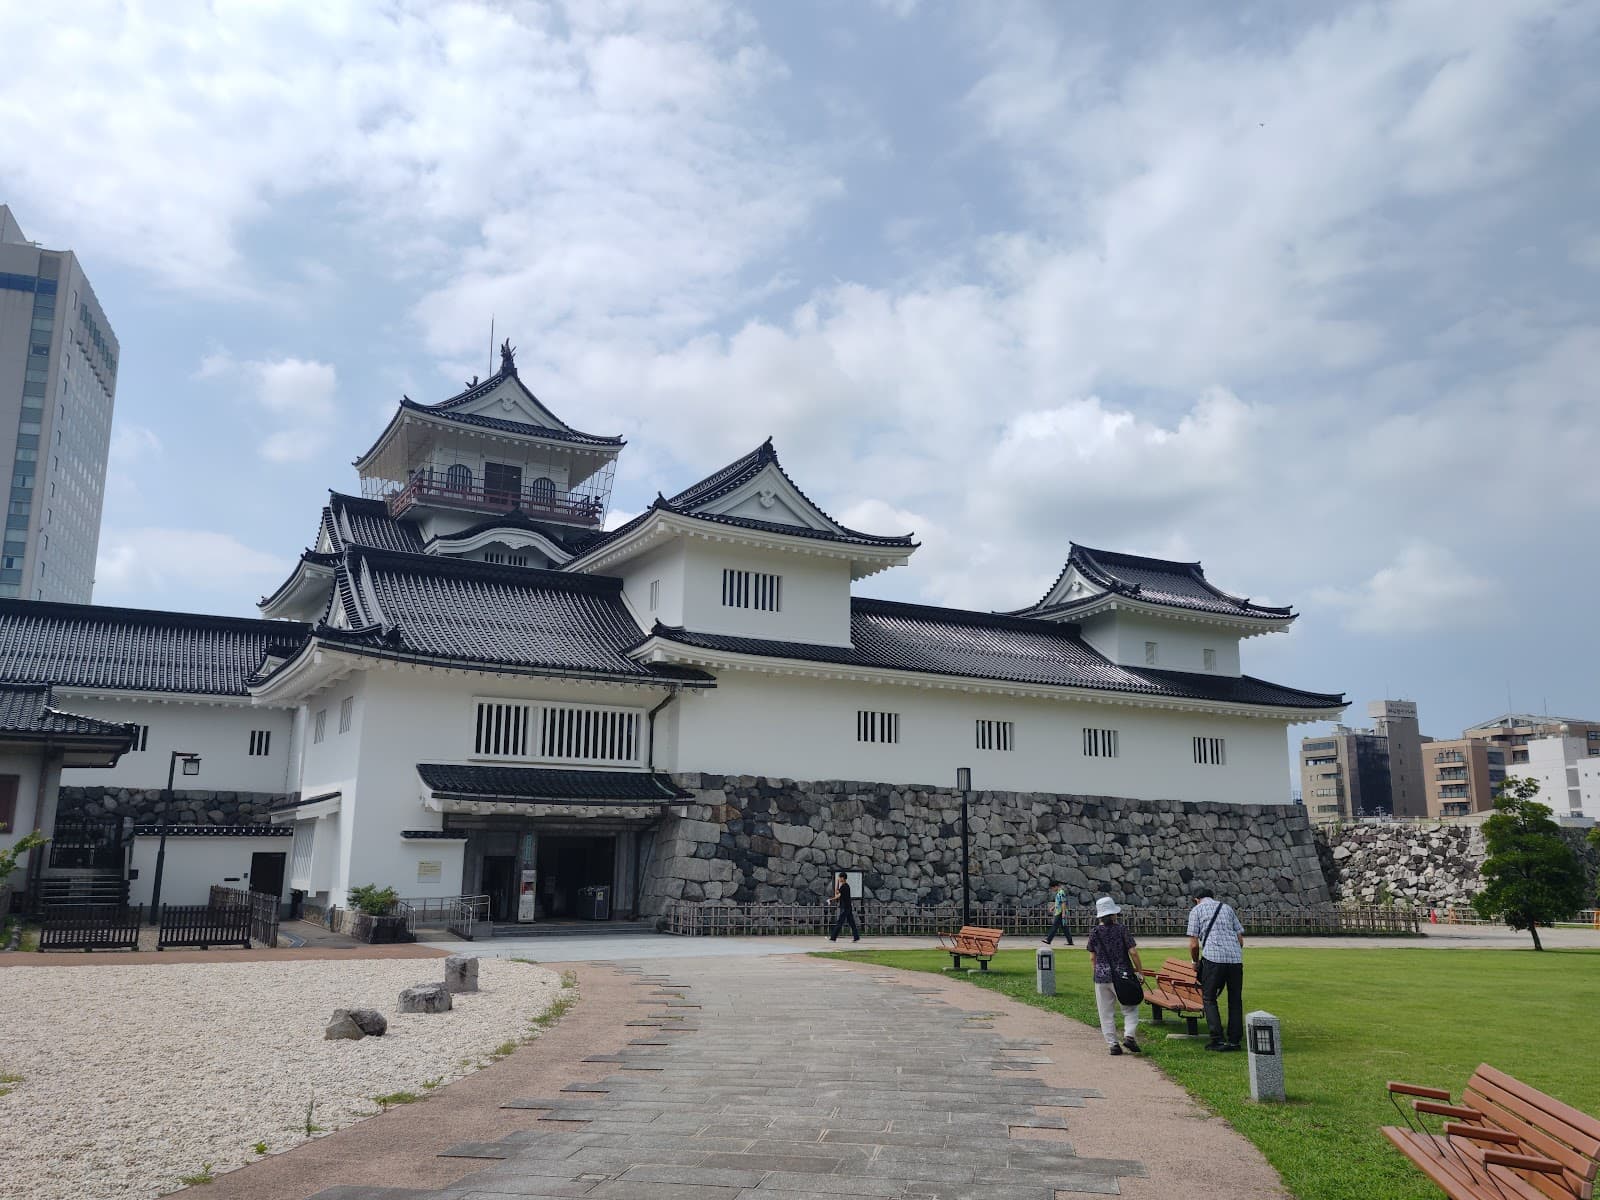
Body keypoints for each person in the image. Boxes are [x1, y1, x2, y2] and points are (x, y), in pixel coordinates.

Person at [1187, 885, 1245, 1051]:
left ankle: (1217, 1039)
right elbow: (1240, 940)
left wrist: (1195, 962)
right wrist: (1232, 954)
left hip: (1213, 959)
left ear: (1196, 900)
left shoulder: (1196, 911)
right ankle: (1234, 1040)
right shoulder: (1226, 908)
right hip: (1235, 960)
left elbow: (1193, 944)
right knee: (1235, 1000)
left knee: (1209, 998)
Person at [1086, 896, 1142, 1055]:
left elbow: (1092, 956)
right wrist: (1139, 971)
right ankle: (1129, 1036)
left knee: (1105, 1012)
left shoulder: (1095, 932)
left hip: (1101, 976)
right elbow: (1133, 952)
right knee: (1130, 1008)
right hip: (1122, 974)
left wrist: (1096, 972)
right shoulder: (1121, 929)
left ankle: (1113, 1044)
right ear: (1113, 914)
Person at [827, 870, 860, 942]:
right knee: (851, 922)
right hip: (848, 907)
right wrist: (831, 899)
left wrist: (837, 883)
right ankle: (856, 937)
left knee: (839, 922)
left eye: (840, 877)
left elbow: (837, 892)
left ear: (843, 878)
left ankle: (833, 938)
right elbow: (838, 896)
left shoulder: (844, 886)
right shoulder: (846, 886)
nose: (839, 878)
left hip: (845, 907)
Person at [1042, 881, 1074, 946]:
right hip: (1058, 911)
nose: (1052, 890)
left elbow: (1063, 903)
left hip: (1060, 912)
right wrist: (1053, 907)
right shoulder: (1058, 893)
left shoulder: (1061, 892)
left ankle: (1048, 939)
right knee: (1064, 927)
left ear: (1056, 886)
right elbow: (1058, 902)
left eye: (1052, 888)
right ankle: (1070, 941)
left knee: (1055, 925)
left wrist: (1063, 913)